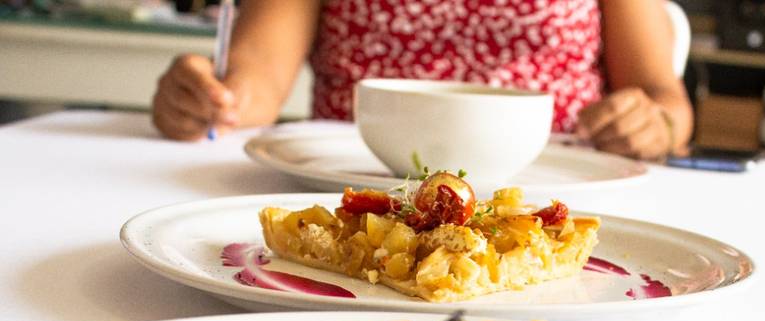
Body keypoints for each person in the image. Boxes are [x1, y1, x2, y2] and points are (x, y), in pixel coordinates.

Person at [152, 0, 693, 160]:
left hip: (558, 189)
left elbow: (663, 96)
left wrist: (656, 126)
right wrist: (211, 99)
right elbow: (257, 82)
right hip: (358, 187)